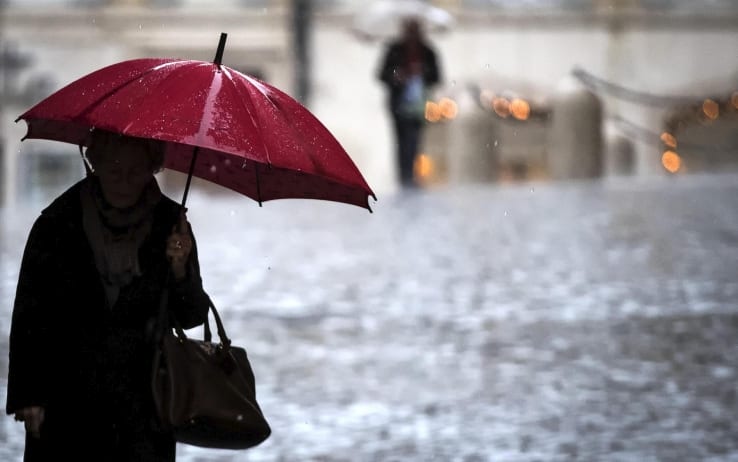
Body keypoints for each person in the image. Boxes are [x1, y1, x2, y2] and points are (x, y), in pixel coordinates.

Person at [6, 130, 211, 461]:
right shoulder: (57, 223)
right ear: (94, 162)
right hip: (67, 401)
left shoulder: (171, 226)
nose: (125, 182)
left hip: (143, 410)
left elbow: (190, 317)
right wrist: (29, 394)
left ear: (153, 169)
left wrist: (180, 270)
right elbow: (31, 313)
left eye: (136, 171)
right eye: (115, 170)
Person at [378, 17, 441, 188]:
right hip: (398, 103)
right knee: (400, 141)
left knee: (414, 140)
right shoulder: (394, 49)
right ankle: (403, 176)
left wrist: (422, 71)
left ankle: (412, 174)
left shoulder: (427, 51)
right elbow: (382, 74)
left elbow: (436, 76)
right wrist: (397, 76)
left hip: (419, 104)